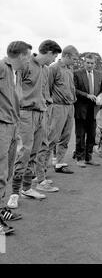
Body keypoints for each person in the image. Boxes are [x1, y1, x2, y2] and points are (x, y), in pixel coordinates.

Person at [7, 40, 62, 210]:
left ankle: (26, 188)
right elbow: (16, 88)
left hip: (41, 114)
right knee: (24, 152)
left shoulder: (45, 70)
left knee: (35, 152)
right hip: (25, 113)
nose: (54, 60)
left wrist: (47, 103)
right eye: (54, 56)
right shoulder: (25, 64)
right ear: (48, 52)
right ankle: (14, 193)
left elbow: (45, 90)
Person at [35, 45, 79, 192]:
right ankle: (40, 173)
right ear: (66, 56)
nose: (75, 61)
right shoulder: (54, 68)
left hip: (70, 107)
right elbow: (47, 88)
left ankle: (59, 164)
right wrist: (50, 104)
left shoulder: (69, 69)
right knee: (51, 140)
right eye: (73, 58)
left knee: (65, 138)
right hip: (57, 107)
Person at [0, 41, 32, 234]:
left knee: (7, 171)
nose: (29, 60)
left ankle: (1, 208)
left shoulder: (14, 73)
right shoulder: (2, 67)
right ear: (21, 56)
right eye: (28, 56)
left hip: (11, 126)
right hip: (2, 125)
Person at [73, 53, 102, 167]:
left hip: (94, 109)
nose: (89, 65)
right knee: (80, 135)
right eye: (87, 62)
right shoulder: (77, 74)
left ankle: (89, 157)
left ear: (95, 64)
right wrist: (87, 95)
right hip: (81, 108)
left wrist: (101, 97)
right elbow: (74, 90)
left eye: (92, 63)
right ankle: (79, 158)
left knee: (92, 135)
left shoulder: (100, 75)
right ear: (84, 62)